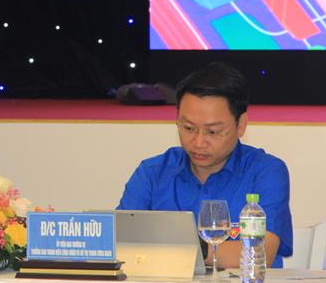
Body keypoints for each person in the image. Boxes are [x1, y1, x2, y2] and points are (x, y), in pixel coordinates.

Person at [117, 62, 292, 268]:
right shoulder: (152, 173)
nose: (198, 142)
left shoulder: (265, 172)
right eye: (188, 128)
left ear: (241, 125)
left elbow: (260, 252)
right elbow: (119, 243)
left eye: (212, 131)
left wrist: (188, 247)